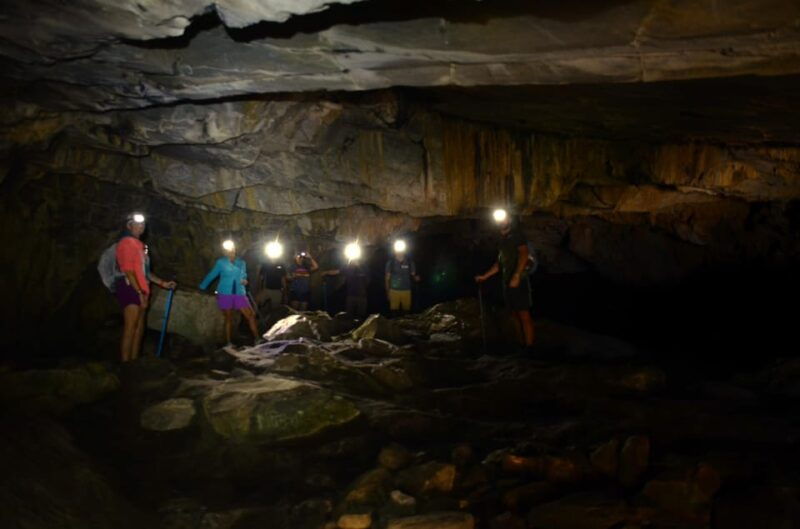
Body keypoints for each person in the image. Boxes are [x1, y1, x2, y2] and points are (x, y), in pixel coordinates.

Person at [115, 213, 176, 363]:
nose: (141, 227)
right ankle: (125, 364)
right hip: (131, 287)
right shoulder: (126, 243)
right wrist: (139, 292)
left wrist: (163, 283)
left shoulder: (142, 246)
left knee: (139, 328)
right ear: (129, 225)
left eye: (143, 224)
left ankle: (134, 361)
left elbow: (146, 272)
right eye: (137, 224)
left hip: (142, 289)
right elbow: (128, 271)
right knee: (131, 326)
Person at [475, 212, 535, 350]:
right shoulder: (502, 241)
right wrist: (485, 276)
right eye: (499, 220)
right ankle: (521, 344)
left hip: (519, 280)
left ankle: (530, 347)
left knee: (523, 313)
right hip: (507, 282)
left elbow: (524, 253)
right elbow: (499, 264)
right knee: (513, 313)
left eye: (504, 219)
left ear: (509, 220)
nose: (502, 222)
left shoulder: (517, 235)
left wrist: (517, 275)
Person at [199, 241, 259, 345]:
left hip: (239, 292)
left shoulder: (241, 262)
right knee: (228, 318)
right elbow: (212, 275)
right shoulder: (221, 262)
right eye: (226, 249)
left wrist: (245, 280)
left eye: (231, 248)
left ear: (234, 249)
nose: (229, 251)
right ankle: (228, 342)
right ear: (224, 251)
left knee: (250, 315)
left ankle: (257, 339)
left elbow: (244, 275)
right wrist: (202, 286)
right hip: (225, 292)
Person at [385, 249, 420, 315]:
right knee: (394, 313)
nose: (399, 252)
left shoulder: (409, 262)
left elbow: (413, 275)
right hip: (394, 291)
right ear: (395, 251)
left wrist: (416, 278)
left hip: (407, 290)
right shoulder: (391, 263)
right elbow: (387, 278)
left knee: (406, 313)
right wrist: (387, 292)